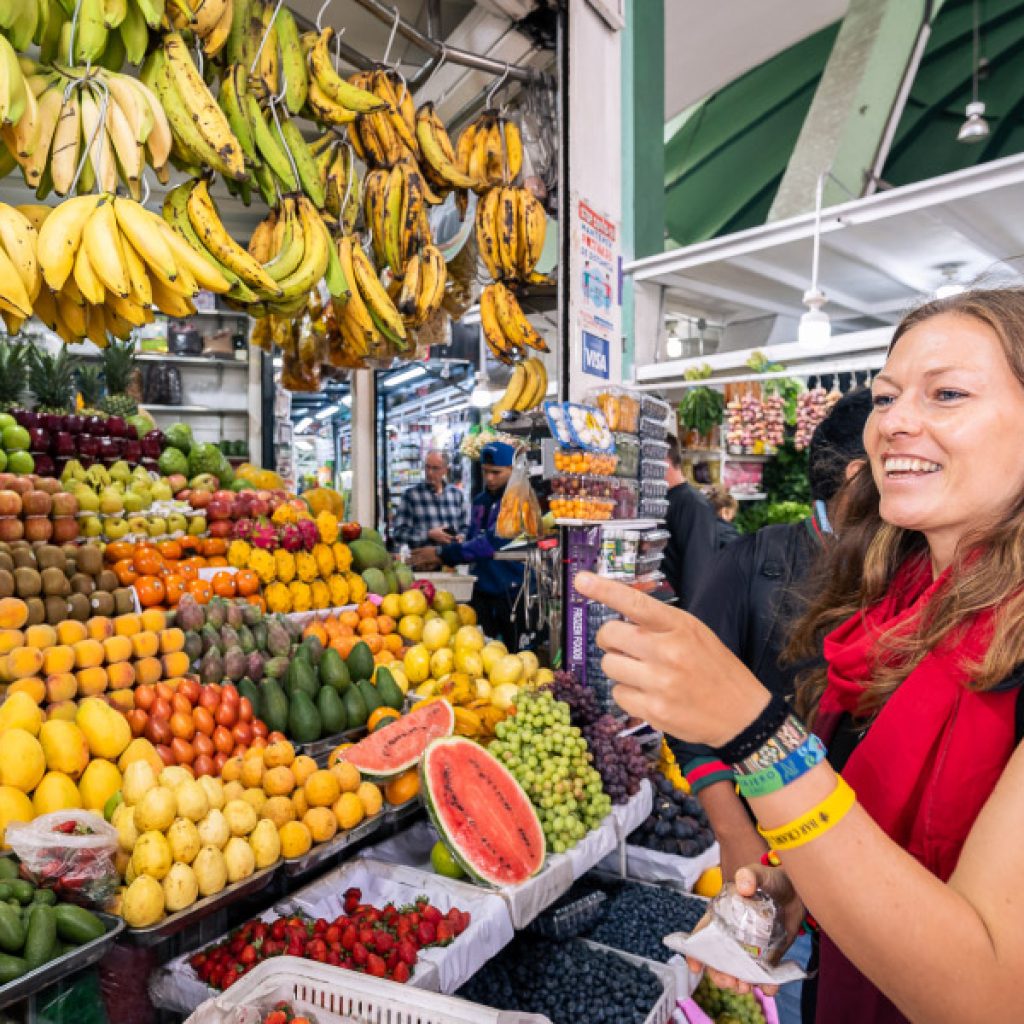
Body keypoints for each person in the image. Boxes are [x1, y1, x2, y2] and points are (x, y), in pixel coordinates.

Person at [577, 289, 1024, 1022]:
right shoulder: (890, 615)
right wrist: (804, 885)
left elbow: (991, 999)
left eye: (947, 394)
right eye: (885, 397)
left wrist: (754, 730)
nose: (895, 423)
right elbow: (872, 840)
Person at [677, 388, 873, 1024]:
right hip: (765, 853)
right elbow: (688, 706)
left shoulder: (915, 575)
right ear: (855, 478)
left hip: (869, 865)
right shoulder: (753, 561)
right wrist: (734, 836)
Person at [412, 441, 526, 649]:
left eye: (496, 472)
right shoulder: (481, 500)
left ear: (512, 470)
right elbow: (475, 538)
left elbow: (490, 543)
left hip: (511, 592)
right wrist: (458, 542)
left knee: (514, 652)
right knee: (479, 648)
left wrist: (442, 553)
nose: (489, 478)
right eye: (485, 472)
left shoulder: (518, 503)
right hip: (481, 588)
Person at [662, 434, 721, 608]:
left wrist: (689, 621)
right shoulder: (665, 499)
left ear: (664, 459)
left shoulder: (693, 505)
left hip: (679, 615)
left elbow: (698, 570)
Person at [391, 451, 467, 551]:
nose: (430, 472)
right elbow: (398, 533)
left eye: (435, 468)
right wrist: (428, 534)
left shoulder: (456, 495)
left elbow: (465, 527)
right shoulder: (411, 496)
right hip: (424, 564)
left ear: (445, 470)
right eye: (427, 467)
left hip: (452, 563)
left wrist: (461, 536)